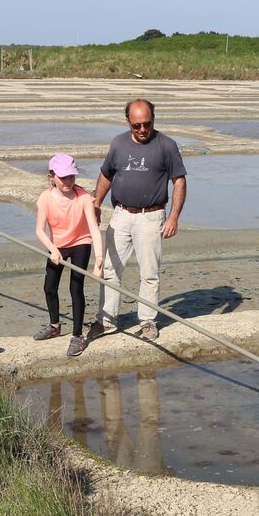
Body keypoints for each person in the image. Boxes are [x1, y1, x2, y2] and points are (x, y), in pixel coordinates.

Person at [89, 99, 187, 342]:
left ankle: (147, 322)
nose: (143, 130)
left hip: (151, 217)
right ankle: (107, 320)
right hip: (121, 214)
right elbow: (106, 174)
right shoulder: (118, 143)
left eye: (147, 124)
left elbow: (179, 181)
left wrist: (173, 216)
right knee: (111, 269)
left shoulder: (166, 145)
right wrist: (96, 203)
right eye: (137, 126)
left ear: (153, 119)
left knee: (149, 273)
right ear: (128, 122)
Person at [33, 153, 104, 357]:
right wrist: (53, 250)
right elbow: (39, 230)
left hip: (81, 242)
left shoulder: (83, 198)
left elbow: (94, 229)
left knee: (76, 287)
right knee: (49, 287)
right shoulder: (46, 198)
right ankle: (54, 326)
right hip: (57, 245)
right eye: (63, 177)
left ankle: (77, 335)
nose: (68, 181)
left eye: (71, 176)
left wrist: (99, 260)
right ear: (51, 177)